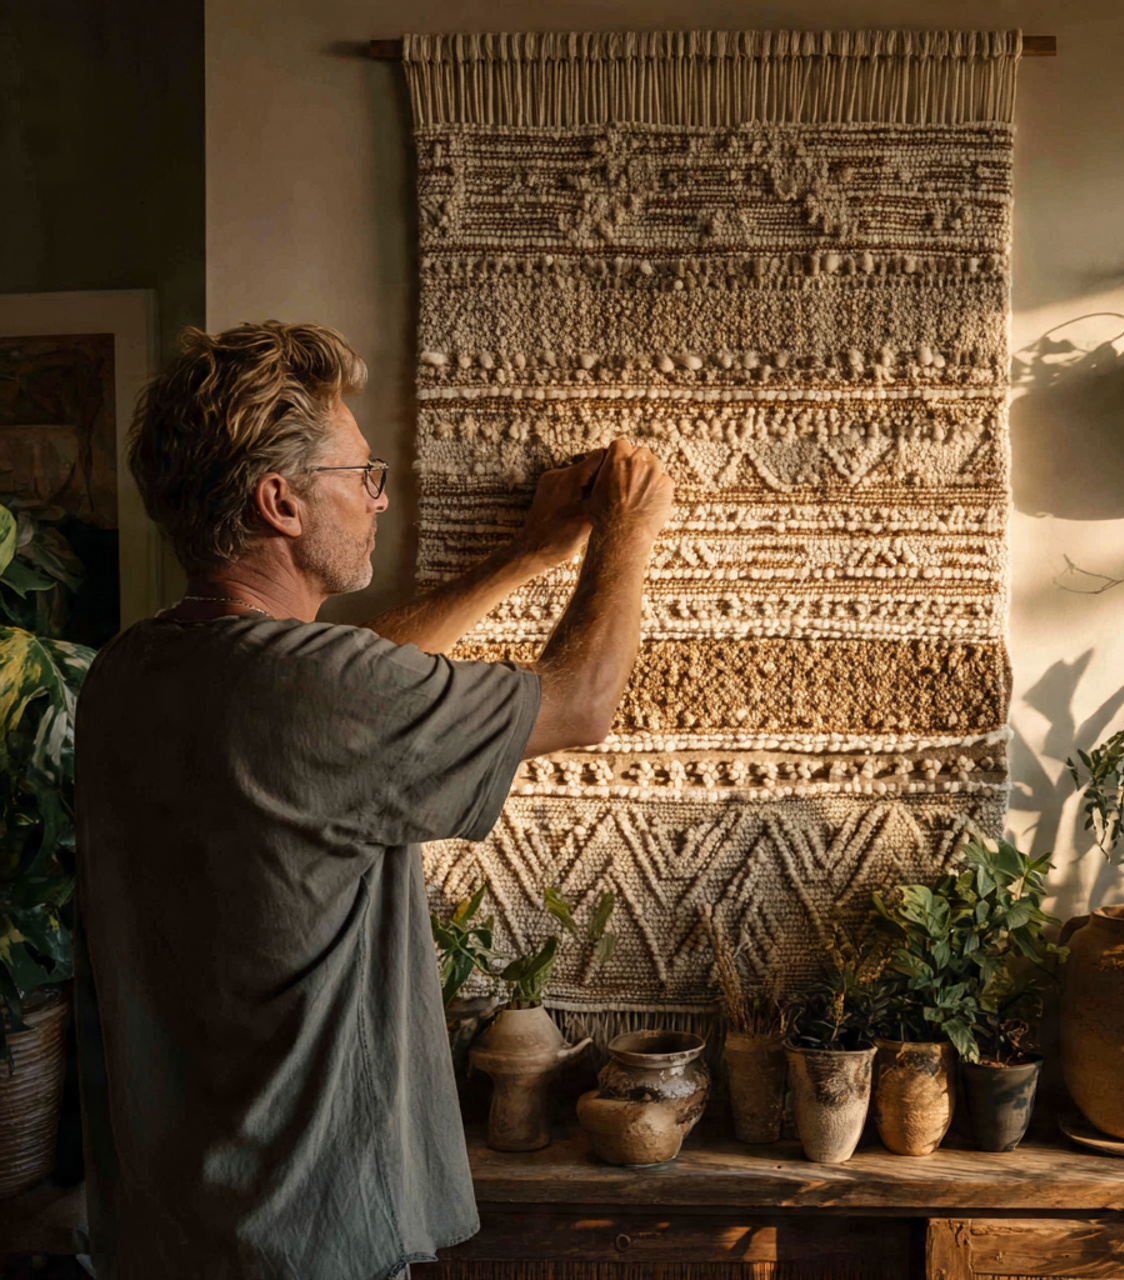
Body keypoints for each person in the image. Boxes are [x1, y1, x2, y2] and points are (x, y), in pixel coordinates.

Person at [74, 321, 675, 1280]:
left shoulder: (127, 672)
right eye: (362, 474)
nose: (381, 497)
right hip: (307, 1237)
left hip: (169, 1231)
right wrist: (628, 527)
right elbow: (582, 702)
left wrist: (523, 559)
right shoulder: (315, 690)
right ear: (280, 502)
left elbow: (351, 689)